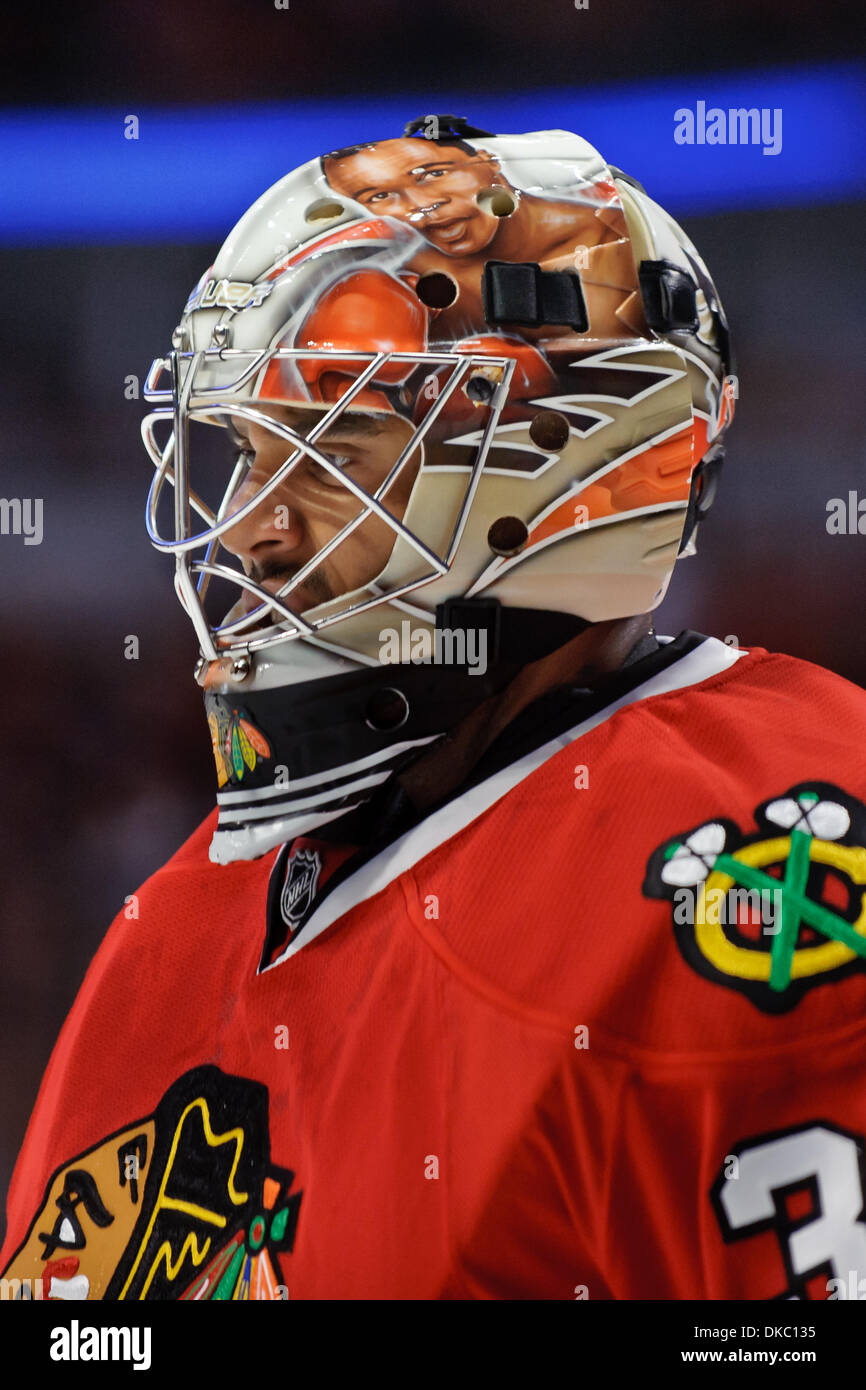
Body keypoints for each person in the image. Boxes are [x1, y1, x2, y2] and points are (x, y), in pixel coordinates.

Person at [3, 115, 866, 1302]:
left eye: (336, 448)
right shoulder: (178, 920)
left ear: (569, 458)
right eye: (248, 455)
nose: (251, 528)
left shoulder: (764, 857)